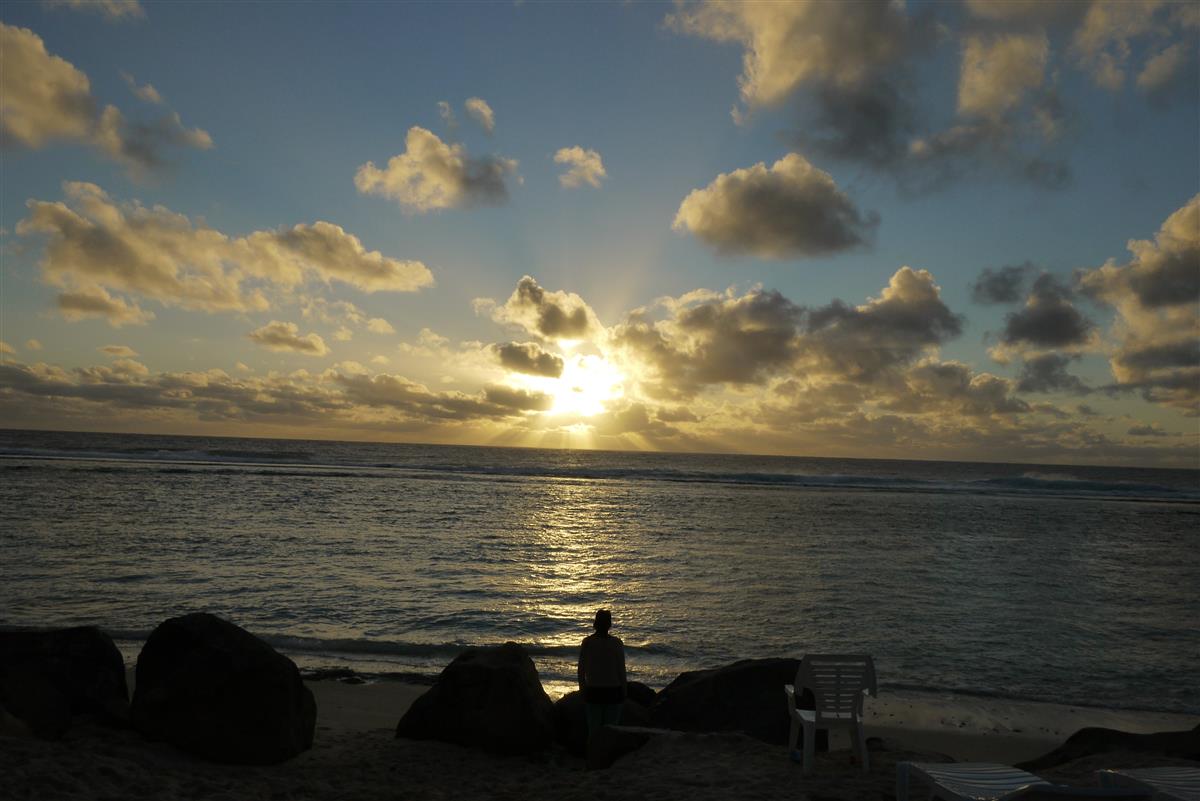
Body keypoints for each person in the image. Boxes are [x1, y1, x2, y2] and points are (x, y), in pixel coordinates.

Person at [577, 608, 627, 738]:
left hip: (593, 691)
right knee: (611, 733)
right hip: (613, 691)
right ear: (609, 624)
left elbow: (581, 670)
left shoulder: (587, 642)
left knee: (594, 732)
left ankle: (594, 751)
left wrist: (582, 690)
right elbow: (621, 670)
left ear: (595, 623)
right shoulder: (616, 643)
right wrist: (624, 691)